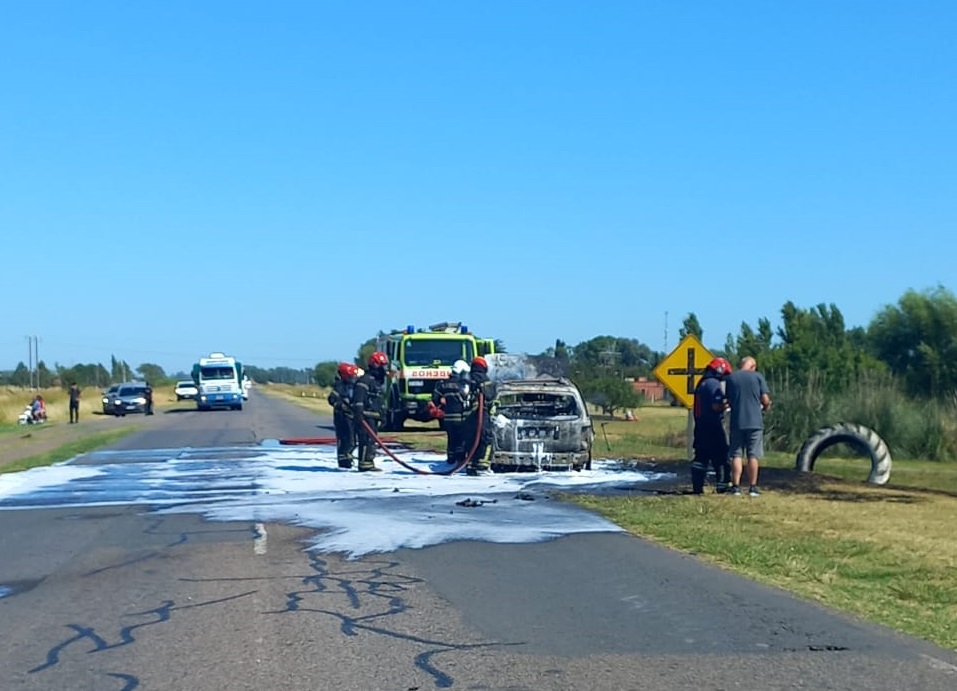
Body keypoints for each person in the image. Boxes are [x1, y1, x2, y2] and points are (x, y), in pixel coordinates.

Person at [725, 356, 772, 496]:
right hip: (754, 422)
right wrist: (766, 406)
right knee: (753, 454)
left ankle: (736, 487)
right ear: (753, 366)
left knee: (736, 454)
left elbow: (729, 399)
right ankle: (752, 487)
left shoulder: (731, 378)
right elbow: (765, 399)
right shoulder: (757, 377)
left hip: (737, 421)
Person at [690, 357, 732, 494]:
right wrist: (727, 404)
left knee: (701, 457)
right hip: (712, 426)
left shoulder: (701, 383)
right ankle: (722, 486)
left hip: (700, 425)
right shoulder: (713, 384)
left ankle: (697, 487)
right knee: (721, 456)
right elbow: (715, 405)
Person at [428, 360, 472, 466]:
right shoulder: (465, 385)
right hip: (461, 417)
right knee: (461, 440)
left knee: (451, 439)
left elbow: (435, 400)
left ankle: (450, 460)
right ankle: (460, 460)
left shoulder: (443, 384)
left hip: (447, 418)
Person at [351, 351, 389, 472]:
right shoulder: (365, 380)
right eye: (382, 366)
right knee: (365, 440)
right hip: (366, 417)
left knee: (371, 441)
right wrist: (359, 414)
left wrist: (383, 415)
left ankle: (368, 462)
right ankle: (364, 464)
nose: (384, 369)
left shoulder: (375, 382)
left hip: (373, 417)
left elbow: (378, 400)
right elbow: (358, 398)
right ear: (375, 365)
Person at [464, 356, 497, 476]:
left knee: (471, 440)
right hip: (481, 415)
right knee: (486, 439)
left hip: (467, 417)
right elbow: (490, 396)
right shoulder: (485, 380)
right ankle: (483, 466)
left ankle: (471, 465)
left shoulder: (466, 378)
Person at [328, 362, 360, 468]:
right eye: (352, 376)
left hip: (351, 417)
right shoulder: (340, 386)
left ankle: (347, 456)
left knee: (353, 440)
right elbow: (331, 399)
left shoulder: (352, 386)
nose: (354, 378)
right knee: (345, 440)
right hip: (342, 418)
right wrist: (341, 406)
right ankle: (344, 460)